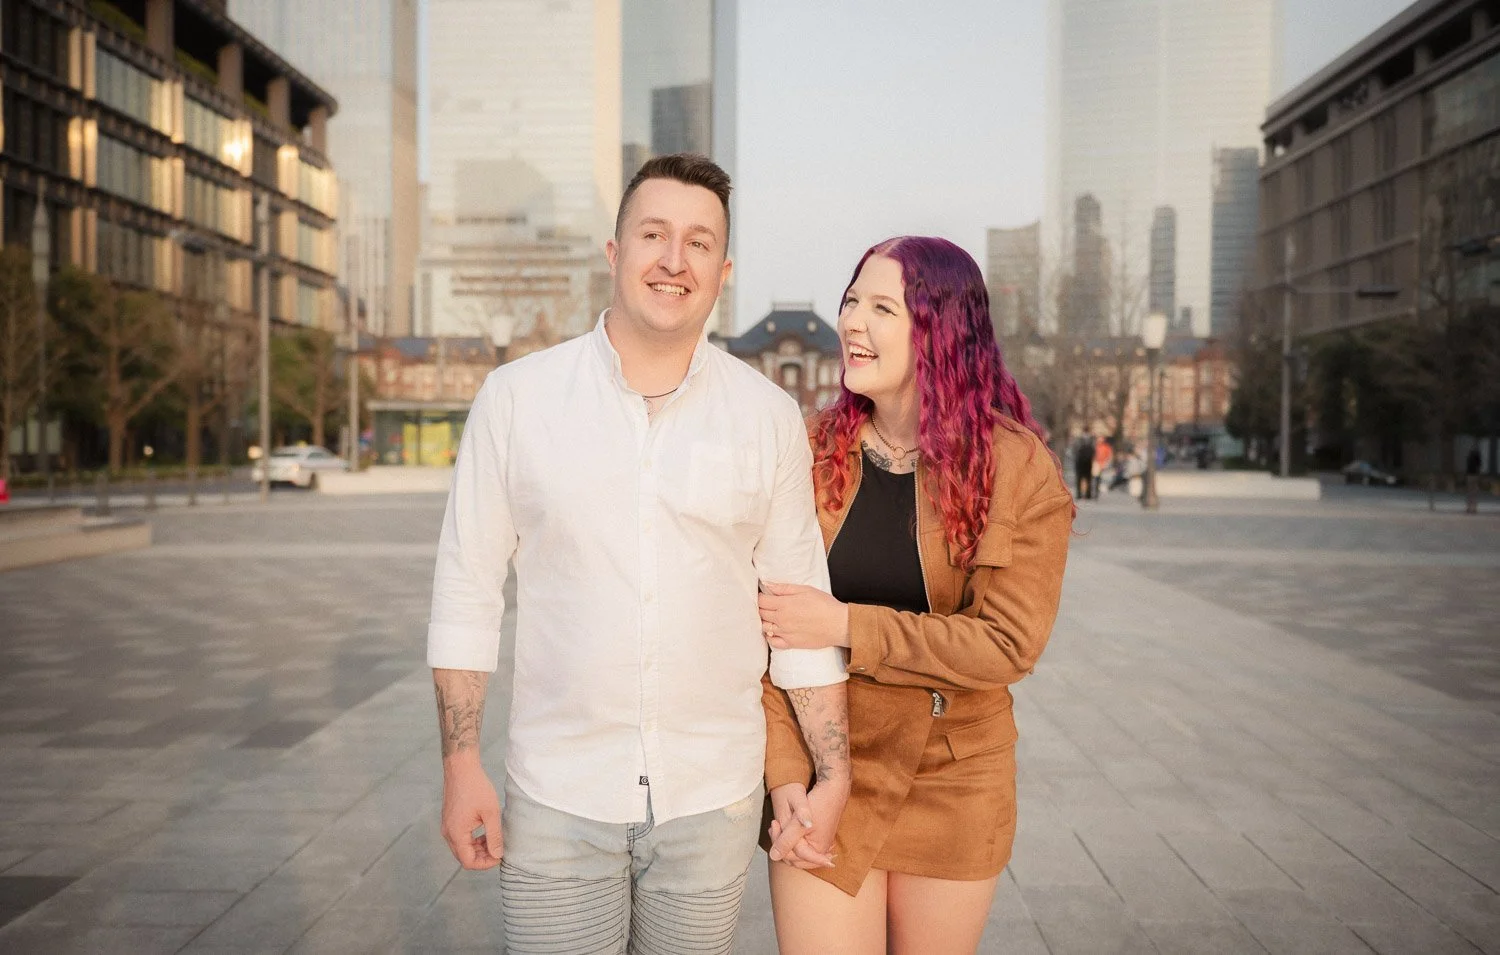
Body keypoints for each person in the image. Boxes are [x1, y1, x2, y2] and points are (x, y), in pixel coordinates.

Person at [426, 154, 851, 954]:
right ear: (615, 252)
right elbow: (467, 592)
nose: (673, 258)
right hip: (558, 789)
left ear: (722, 271)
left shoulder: (766, 417)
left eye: (698, 242)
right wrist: (460, 765)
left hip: (714, 795)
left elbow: (798, 611)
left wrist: (835, 773)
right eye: (653, 234)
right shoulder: (517, 400)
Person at [756, 237, 1074, 953]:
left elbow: (1006, 643)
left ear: (941, 329)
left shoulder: (1018, 469)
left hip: (955, 776)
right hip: (825, 763)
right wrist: (785, 780)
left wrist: (843, 623)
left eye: (882, 307)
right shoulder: (806, 452)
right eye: (850, 300)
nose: (852, 322)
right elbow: (767, 635)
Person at [1073, 427, 1095, 500]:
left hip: (1080, 461)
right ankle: (1088, 494)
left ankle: (1079, 494)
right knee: (1088, 478)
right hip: (1088, 461)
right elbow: (1094, 451)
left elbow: (1075, 450)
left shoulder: (1078, 440)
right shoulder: (1091, 440)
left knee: (1080, 478)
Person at [1466, 446, 1483, 514]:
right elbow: (1479, 465)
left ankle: (1469, 507)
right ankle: (1474, 508)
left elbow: (1467, 466)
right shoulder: (1477, 457)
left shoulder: (1469, 457)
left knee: (1470, 492)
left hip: (1469, 475)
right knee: (1474, 493)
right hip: (1475, 475)